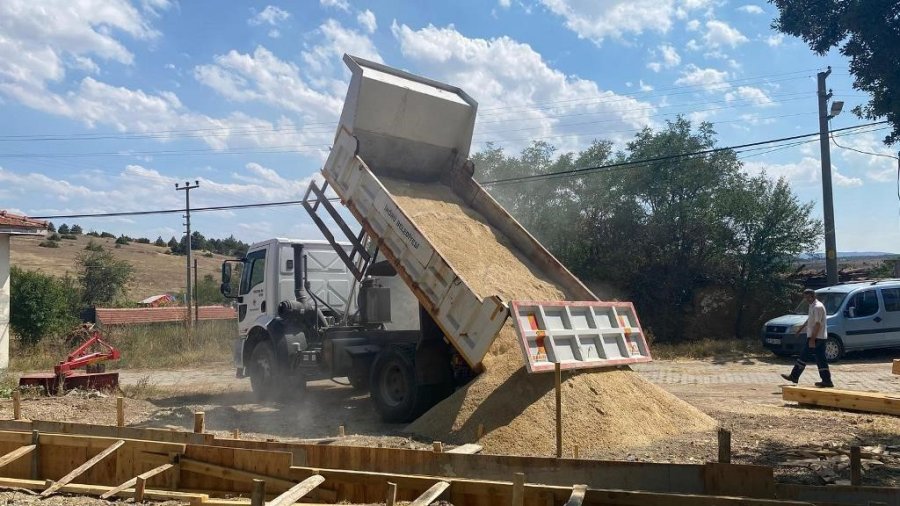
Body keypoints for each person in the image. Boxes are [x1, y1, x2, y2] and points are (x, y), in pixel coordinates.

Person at [781, 288, 834, 387]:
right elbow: (810, 319)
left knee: (803, 356)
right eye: (805, 298)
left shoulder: (817, 307)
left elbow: (818, 324)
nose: (807, 300)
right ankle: (827, 381)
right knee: (821, 359)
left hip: (817, 337)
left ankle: (794, 376)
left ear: (813, 296)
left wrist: (812, 339)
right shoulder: (812, 306)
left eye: (808, 297)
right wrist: (800, 329)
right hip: (818, 337)